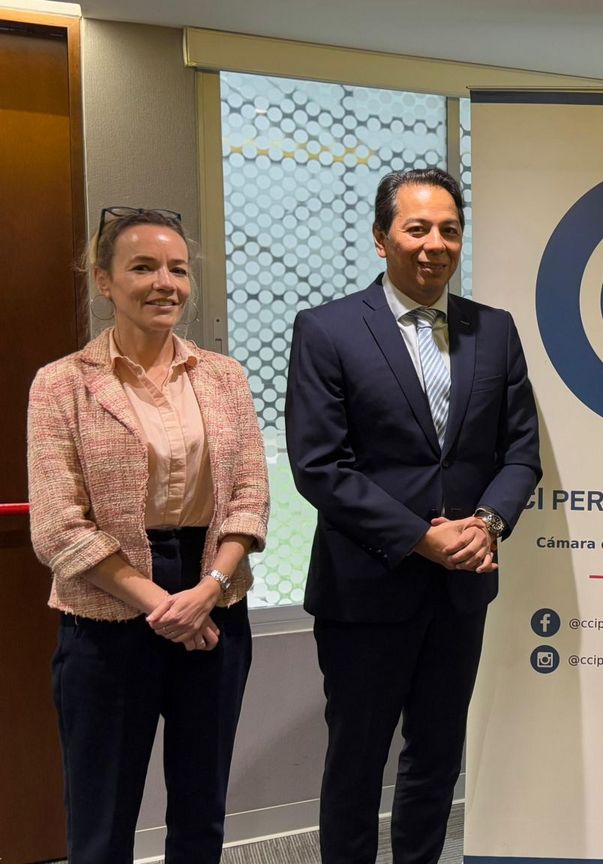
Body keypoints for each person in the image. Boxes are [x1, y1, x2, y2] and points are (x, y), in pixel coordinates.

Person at [285, 167, 541, 864]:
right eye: (417, 228)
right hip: (366, 588)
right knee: (356, 763)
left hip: (461, 588)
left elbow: (521, 452)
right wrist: (419, 538)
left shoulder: (495, 330)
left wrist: (487, 524)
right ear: (381, 238)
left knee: (437, 758)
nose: (435, 244)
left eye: (449, 230)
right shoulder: (328, 329)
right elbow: (319, 465)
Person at [27, 206, 269, 863]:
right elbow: (59, 527)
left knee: (201, 811)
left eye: (177, 269)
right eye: (143, 267)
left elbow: (250, 497)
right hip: (105, 611)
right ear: (103, 280)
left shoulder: (224, 377)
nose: (165, 283)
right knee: (101, 821)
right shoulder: (62, 384)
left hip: (215, 599)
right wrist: (165, 605)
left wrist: (208, 587)